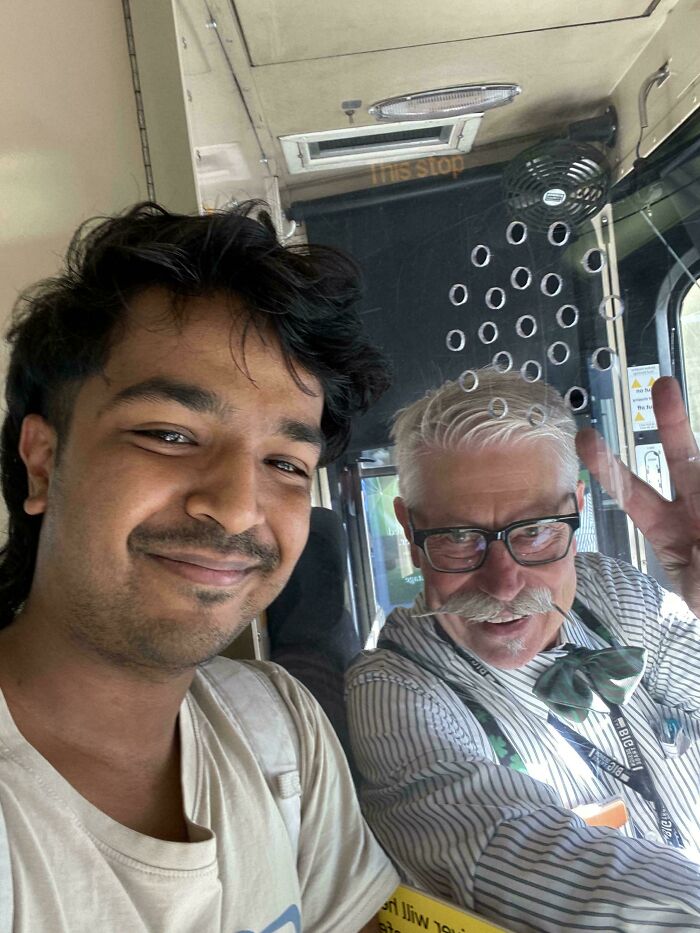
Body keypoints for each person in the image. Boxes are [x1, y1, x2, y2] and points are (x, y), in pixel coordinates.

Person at [0, 202, 399, 933]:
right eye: (170, 433)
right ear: (43, 462)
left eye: (285, 462)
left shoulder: (279, 728)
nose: (239, 507)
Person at [346, 368, 700, 933]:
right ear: (410, 534)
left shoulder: (615, 593)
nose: (505, 584)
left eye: (536, 530)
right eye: (459, 537)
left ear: (577, 508)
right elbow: (519, 853)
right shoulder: (394, 691)